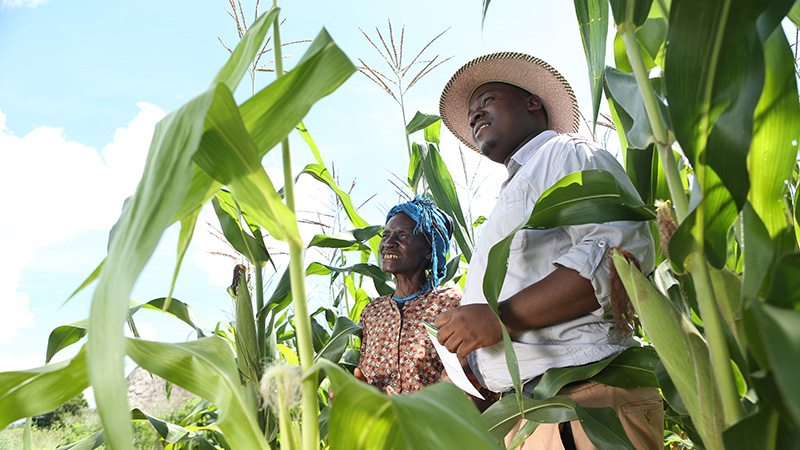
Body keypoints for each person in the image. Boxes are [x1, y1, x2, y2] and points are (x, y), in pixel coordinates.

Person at [434, 52, 663, 449]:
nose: (474, 116)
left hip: (582, 403)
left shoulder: (567, 153)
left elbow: (617, 256)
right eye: (471, 112)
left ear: (532, 102)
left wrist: (497, 319)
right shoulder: (516, 191)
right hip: (533, 412)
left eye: (486, 100)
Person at [354, 197, 460, 395]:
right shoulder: (373, 312)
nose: (388, 243)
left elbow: (477, 384)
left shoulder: (452, 304)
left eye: (402, 236)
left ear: (429, 250)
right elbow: (367, 379)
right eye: (385, 236)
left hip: (435, 423)